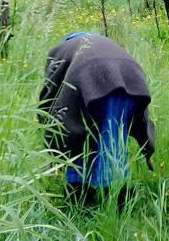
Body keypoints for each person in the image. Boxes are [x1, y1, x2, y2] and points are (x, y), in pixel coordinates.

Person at [38, 31, 156, 207]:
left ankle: (83, 198)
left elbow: (49, 96)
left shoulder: (60, 50)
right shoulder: (97, 41)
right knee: (115, 138)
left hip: (94, 77)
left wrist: (49, 133)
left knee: (78, 136)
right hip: (132, 80)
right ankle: (118, 195)